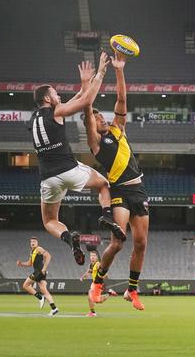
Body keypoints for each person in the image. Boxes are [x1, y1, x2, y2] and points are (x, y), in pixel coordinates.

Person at [31, 53, 125, 266]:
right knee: (103, 185)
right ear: (47, 98)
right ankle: (107, 216)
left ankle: (69, 238)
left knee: (49, 221)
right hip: (68, 169)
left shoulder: (34, 118)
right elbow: (86, 102)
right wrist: (101, 72)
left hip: (48, 178)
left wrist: (84, 84)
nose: (59, 97)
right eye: (56, 94)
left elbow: (77, 99)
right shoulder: (56, 111)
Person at [83, 53, 148, 311]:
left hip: (139, 189)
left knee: (141, 243)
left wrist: (119, 70)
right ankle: (97, 285)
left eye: (103, 117)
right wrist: (87, 86)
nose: (102, 119)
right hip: (119, 191)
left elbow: (122, 98)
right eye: (98, 119)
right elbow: (87, 110)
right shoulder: (96, 143)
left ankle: (131, 290)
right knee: (118, 242)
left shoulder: (119, 128)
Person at [17, 237, 58, 316]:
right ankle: (54, 308)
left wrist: (44, 268)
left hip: (39, 271)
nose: (32, 243)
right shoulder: (32, 251)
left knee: (25, 285)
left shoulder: (39, 249)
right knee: (44, 290)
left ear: (37, 243)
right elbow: (30, 263)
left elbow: (48, 256)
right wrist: (21, 264)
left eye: (34, 241)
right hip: (40, 272)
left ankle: (40, 298)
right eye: (31, 241)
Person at [80, 251, 117, 317]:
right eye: (91, 256)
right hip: (94, 284)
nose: (92, 257)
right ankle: (93, 313)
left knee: (97, 301)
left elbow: (105, 274)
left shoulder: (98, 264)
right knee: (90, 297)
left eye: (94, 256)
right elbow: (89, 272)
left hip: (99, 284)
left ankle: (110, 293)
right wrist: (83, 277)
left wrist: (104, 277)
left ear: (97, 257)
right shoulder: (91, 265)